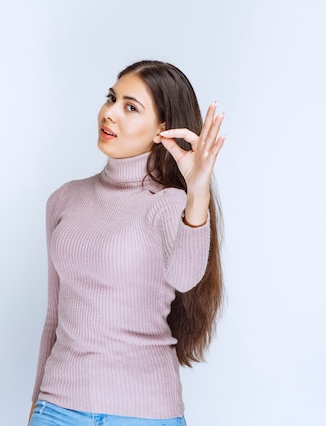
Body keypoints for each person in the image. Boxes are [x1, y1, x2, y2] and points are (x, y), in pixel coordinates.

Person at [28, 60, 225, 425]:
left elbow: (185, 278)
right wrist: (34, 411)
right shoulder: (65, 199)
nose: (110, 113)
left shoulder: (168, 205)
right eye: (111, 98)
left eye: (130, 107)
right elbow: (54, 318)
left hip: (144, 414)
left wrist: (197, 193)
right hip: (56, 409)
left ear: (161, 130)